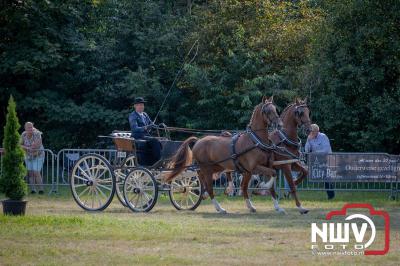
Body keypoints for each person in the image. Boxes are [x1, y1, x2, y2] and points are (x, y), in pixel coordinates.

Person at [128, 97, 162, 165]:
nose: (141, 106)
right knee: (154, 141)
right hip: (137, 137)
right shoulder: (133, 115)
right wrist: (145, 128)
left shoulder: (145, 115)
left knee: (163, 140)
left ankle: (156, 160)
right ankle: (158, 161)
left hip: (145, 136)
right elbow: (134, 128)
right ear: (135, 106)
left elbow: (151, 124)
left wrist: (158, 126)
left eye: (142, 105)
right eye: (139, 105)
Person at [305, 124, 335, 199]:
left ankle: (331, 196)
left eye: (312, 131)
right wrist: (308, 141)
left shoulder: (323, 136)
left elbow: (325, 150)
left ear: (317, 131)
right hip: (317, 160)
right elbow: (306, 150)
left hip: (327, 159)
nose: (311, 133)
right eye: (310, 131)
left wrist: (314, 153)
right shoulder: (309, 137)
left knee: (327, 177)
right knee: (323, 177)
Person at [20, 122, 45, 194]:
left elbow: (38, 145)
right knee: (30, 173)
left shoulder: (37, 133)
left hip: (39, 155)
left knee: (36, 171)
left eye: (31, 127)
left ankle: (41, 189)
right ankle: (33, 190)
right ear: (25, 128)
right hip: (28, 156)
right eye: (28, 127)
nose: (30, 129)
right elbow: (19, 145)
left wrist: (28, 148)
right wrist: (27, 147)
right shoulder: (23, 134)